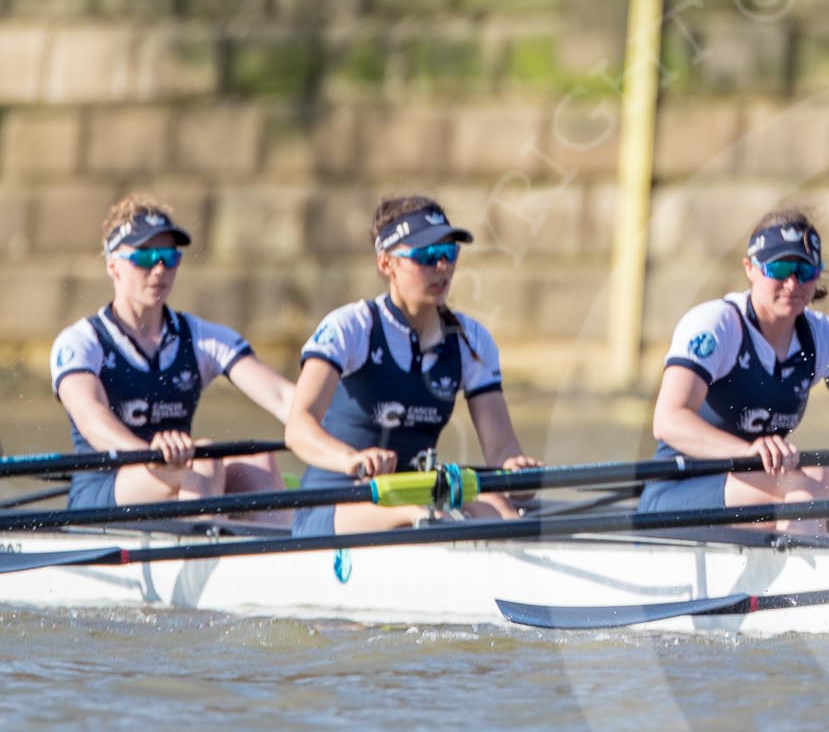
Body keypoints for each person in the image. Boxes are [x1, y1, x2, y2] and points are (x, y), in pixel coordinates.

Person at [639, 209, 829, 538]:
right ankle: (806, 589)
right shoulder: (716, 325)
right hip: (682, 487)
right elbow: (668, 421)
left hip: (763, 479)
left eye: (804, 270)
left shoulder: (823, 335)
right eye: (778, 268)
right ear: (750, 268)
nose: (792, 283)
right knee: (806, 489)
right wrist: (745, 452)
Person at [286, 195, 538, 535]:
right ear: (386, 263)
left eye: (449, 254)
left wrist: (516, 471)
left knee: (501, 510)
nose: (442, 268)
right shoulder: (351, 327)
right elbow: (298, 428)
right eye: (427, 256)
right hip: (336, 504)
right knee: (419, 514)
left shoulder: (470, 340)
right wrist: (352, 459)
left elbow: (501, 450)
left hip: (417, 498)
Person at [52, 196, 293, 510]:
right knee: (203, 459)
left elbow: (282, 397)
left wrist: (343, 445)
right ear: (113, 265)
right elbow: (91, 418)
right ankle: (204, 549)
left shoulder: (201, 338)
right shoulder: (81, 341)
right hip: (103, 490)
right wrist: (152, 455)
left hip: (178, 475)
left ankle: (276, 554)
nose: (159, 268)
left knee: (258, 459)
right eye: (146, 257)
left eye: (169, 256)